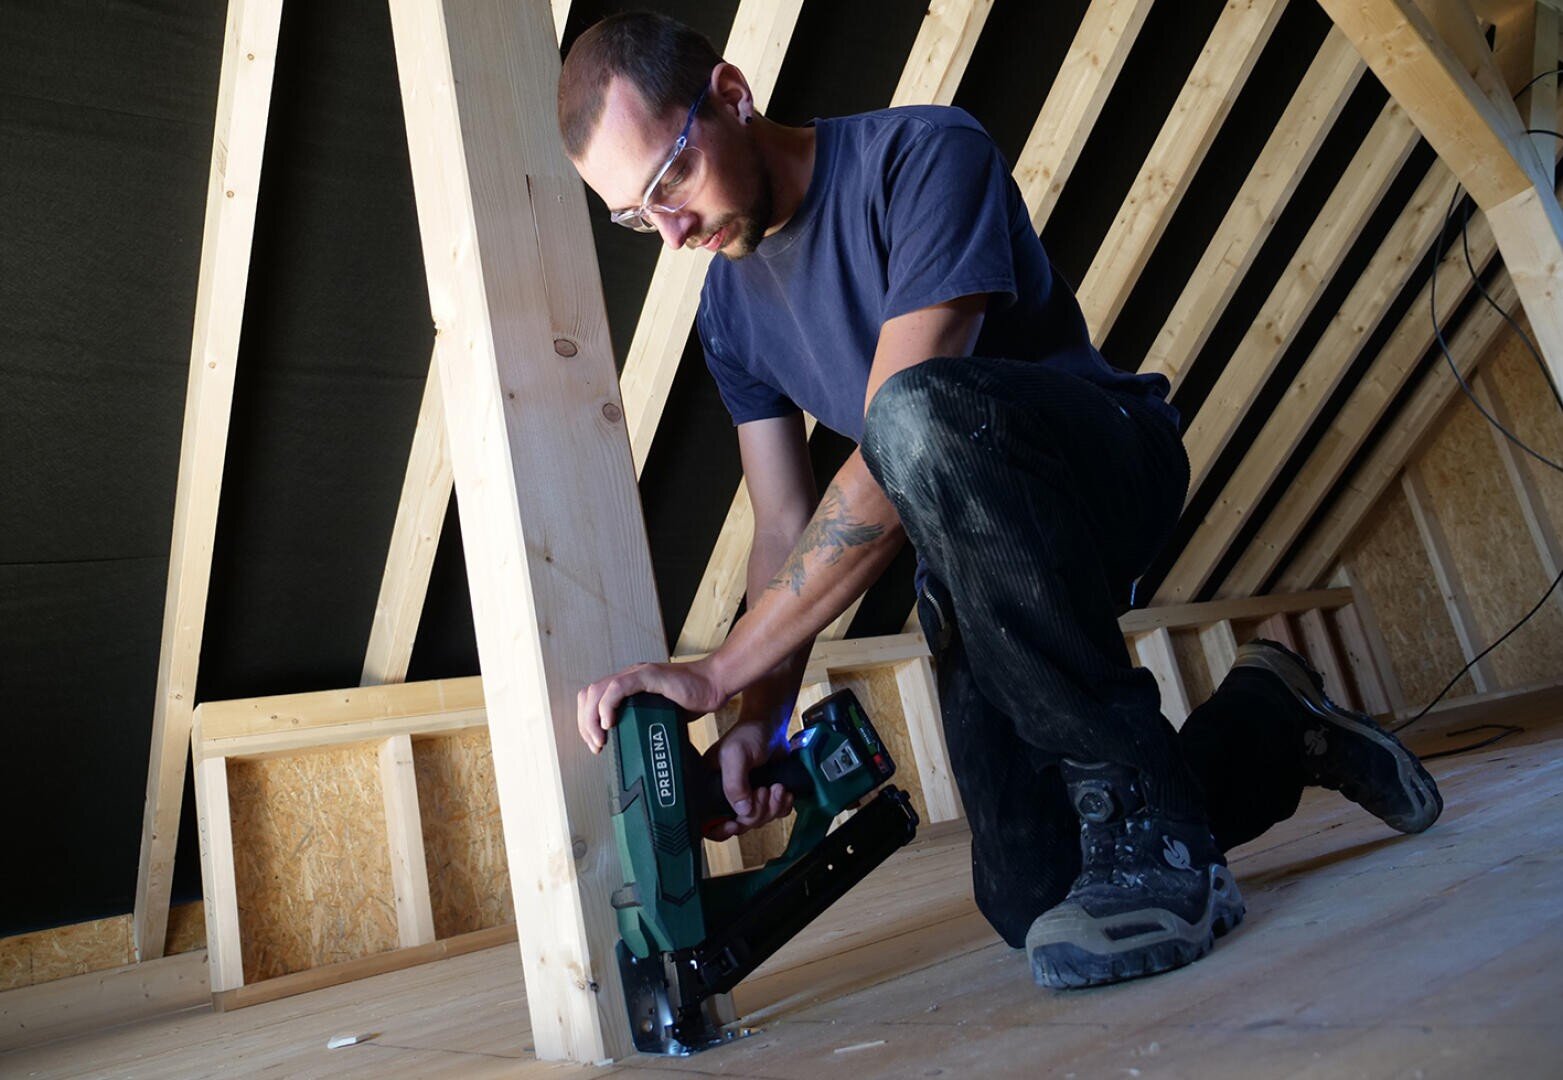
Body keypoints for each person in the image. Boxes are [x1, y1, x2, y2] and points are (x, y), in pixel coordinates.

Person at [560, 12, 1442, 989]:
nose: (673, 233)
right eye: (637, 218)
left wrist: (719, 670)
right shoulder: (728, 313)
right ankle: (1272, 724)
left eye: (671, 179)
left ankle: (1159, 842)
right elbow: (782, 523)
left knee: (908, 418)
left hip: (1105, 462)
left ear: (732, 94)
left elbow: (907, 434)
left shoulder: (922, 152)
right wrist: (756, 723)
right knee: (1033, 897)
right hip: (969, 543)